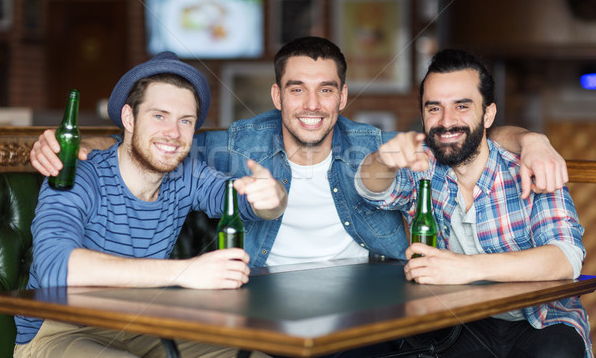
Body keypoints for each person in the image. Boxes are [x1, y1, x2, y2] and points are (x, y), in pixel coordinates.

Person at [30, 37, 570, 269]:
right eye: (296, 89)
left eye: (326, 90)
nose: (312, 105)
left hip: (370, 301)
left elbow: (456, 133)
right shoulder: (236, 144)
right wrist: (79, 145)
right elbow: (162, 144)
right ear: (276, 96)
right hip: (262, 298)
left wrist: (532, 140)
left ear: (342, 96)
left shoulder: (374, 149)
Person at [14, 52, 287, 358]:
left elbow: (246, 202)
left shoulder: (187, 174)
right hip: (61, 329)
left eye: (185, 121)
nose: (173, 133)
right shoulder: (78, 175)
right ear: (129, 118)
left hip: (142, 324)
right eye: (159, 116)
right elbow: (56, 269)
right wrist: (183, 273)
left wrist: (273, 197)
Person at [355, 48, 591, 358]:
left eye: (461, 106)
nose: (446, 121)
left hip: (542, 321)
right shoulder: (423, 164)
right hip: (463, 322)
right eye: (434, 108)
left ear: (488, 114)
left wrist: (464, 268)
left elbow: (567, 258)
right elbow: (370, 188)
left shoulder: (529, 166)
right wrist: (383, 160)